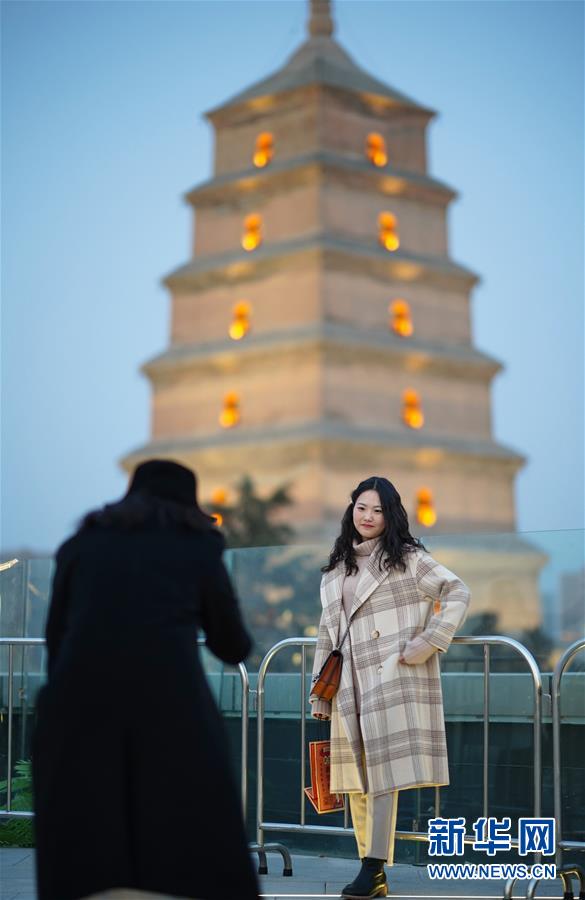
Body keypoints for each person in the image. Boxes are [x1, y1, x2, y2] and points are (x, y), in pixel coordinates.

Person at [32, 459, 260, 900]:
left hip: (78, 705)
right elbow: (231, 645)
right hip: (169, 705)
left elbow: (56, 640)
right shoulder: (198, 545)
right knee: (190, 826)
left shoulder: (81, 544)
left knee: (86, 836)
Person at [310, 476, 470, 899]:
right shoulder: (338, 567)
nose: (368, 517)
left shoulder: (408, 559)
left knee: (382, 777)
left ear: (391, 515)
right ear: (352, 510)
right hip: (347, 683)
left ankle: (373, 867)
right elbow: (328, 632)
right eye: (362, 507)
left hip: (389, 678)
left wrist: (430, 640)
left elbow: (457, 591)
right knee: (356, 778)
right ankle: (372, 869)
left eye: (378, 510)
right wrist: (319, 692)